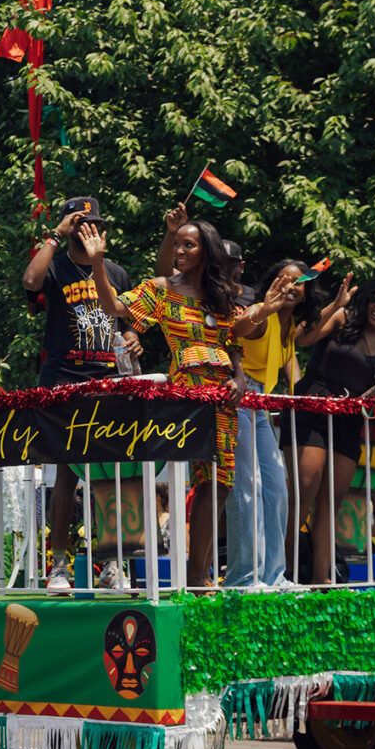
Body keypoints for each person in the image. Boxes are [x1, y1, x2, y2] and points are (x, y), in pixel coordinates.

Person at [81, 216, 247, 588]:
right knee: (182, 478)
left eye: (189, 245)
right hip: (185, 395)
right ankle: (184, 574)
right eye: (178, 245)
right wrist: (97, 262)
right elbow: (114, 308)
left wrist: (238, 378)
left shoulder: (221, 295)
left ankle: (198, 573)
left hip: (223, 397)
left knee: (219, 483)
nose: (180, 251)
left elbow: (233, 344)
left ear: (207, 250)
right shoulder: (162, 288)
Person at [21, 195, 143, 590]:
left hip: (107, 378)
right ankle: (59, 565)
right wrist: (55, 235)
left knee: (110, 475)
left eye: (94, 222)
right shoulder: (55, 265)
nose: (88, 228)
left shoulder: (115, 272)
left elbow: (126, 320)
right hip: (63, 379)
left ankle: (111, 563)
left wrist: (132, 336)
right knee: (66, 474)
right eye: (79, 222)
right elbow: (30, 282)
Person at [283, 273, 375, 584]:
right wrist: (335, 304)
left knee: (332, 500)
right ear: (367, 298)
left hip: (349, 419)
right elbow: (299, 339)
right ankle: (280, 570)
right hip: (312, 404)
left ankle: (323, 580)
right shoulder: (342, 317)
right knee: (305, 489)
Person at [225, 259, 319, 589]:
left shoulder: (288, 326)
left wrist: (338, 304)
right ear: (271, 284)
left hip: (260, 406)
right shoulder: (262, 314)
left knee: (277, 490)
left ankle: (274, 576)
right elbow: (238, 329)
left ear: (306, 291)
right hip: (238, 400)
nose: (291, 287)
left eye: (298, 282)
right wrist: (264, 309)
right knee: (248, 490)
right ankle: (243, 578)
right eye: (283, 280)